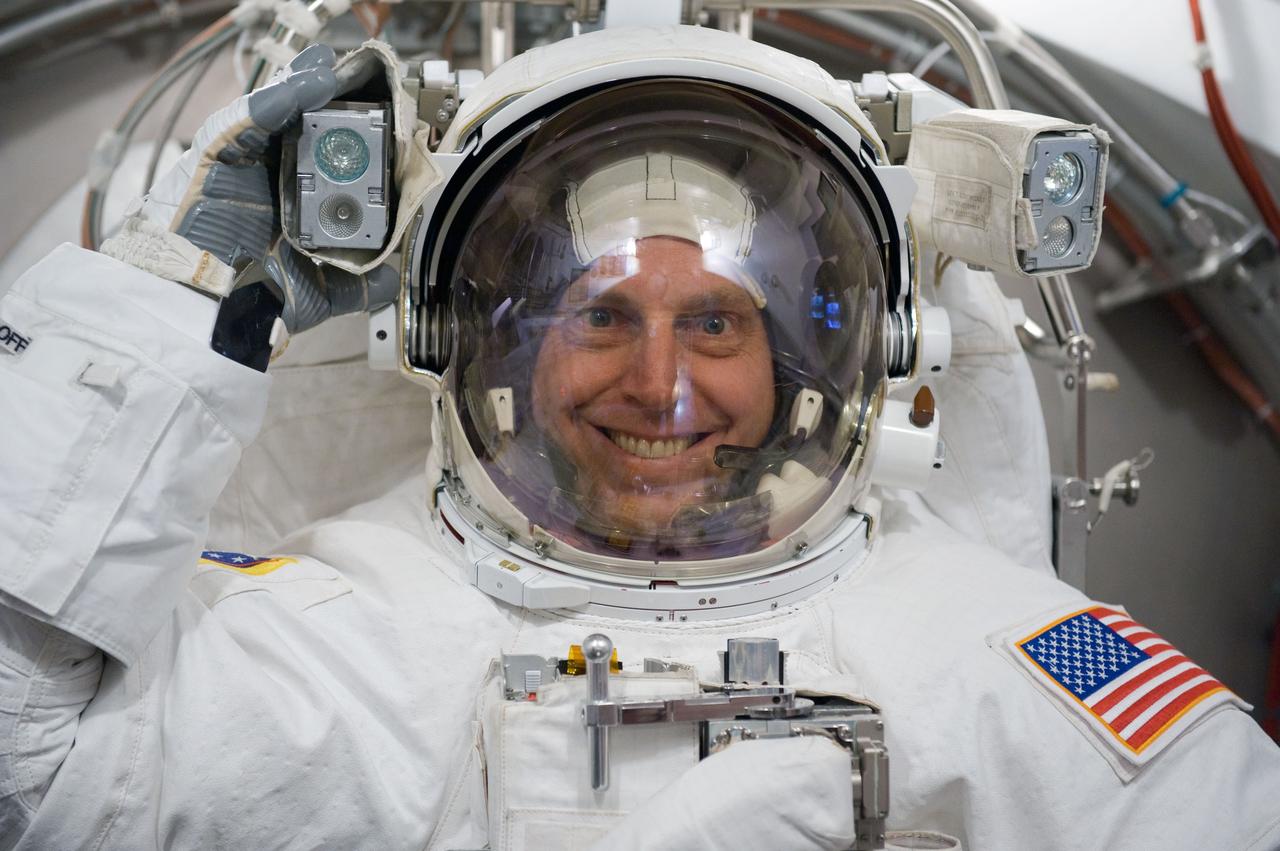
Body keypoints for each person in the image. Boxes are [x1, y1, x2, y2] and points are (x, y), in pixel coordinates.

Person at [1, 28, 1278, 851]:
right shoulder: (352, 633)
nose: (661, 385)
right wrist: (172, 297)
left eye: (716, 321)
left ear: (827, 359)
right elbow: (26, 767)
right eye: (599, 313)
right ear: (471, 339)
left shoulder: (980, 653)